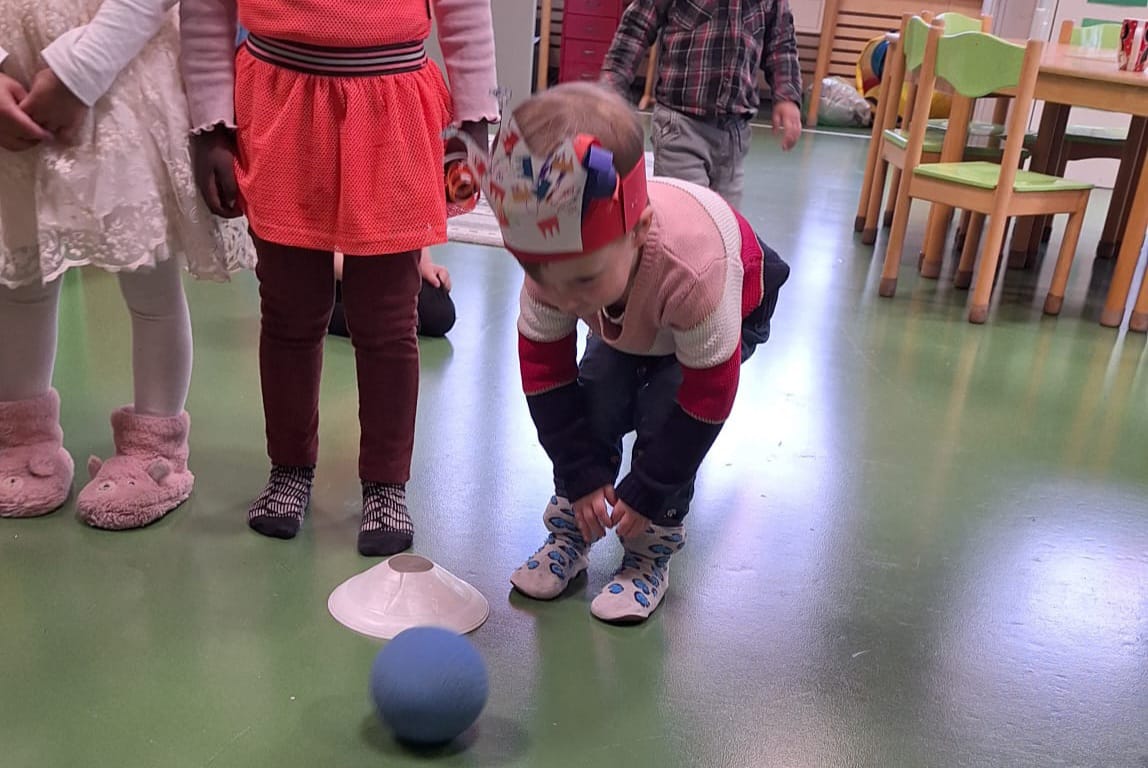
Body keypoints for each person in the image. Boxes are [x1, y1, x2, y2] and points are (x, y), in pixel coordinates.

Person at [454, 82, 790, 623]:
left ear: (640, 230)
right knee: (598, 394)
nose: (562, 298)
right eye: (541, 276)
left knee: (664, 407)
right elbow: (545, 377)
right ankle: (571, 532)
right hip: (630, 312)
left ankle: (649, 555)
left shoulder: (694, 272)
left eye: (581, 280)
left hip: (721, 309)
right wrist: (582, 474)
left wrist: (649, 488)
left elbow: (707, 399)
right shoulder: (562, 268)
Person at [180, 0, 498, 555]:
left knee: (389, 319)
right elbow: (207, 8)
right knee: (288, 312)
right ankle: (289, 468)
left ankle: (386, 484)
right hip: (279, 105)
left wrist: (474, 119)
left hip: (392, 107)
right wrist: (210, 125)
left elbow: (464, 7)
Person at [0, 0, 250, 529]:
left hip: (122, 75)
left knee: (148, 279)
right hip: (14, 81)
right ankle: (22, 436)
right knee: (22, 272)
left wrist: (80, 70)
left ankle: (156, 449)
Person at [600, 0, 803, 208]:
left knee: (725, 219)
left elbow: (781, 43)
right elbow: (638, 24)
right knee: (686, 212)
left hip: (734, 137)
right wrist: (612, 84)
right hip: (681, 125)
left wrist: (787, 96)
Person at [328, 249, 457, 340]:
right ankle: (328, 314)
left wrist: (423, 263)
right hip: (333, 267)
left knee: (439, 312)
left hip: (380, 266)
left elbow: (413, 221)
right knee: (386, 322)